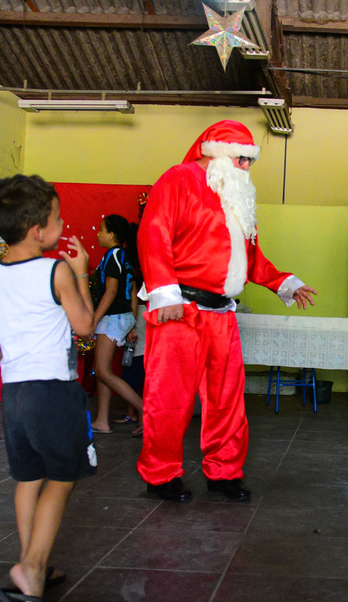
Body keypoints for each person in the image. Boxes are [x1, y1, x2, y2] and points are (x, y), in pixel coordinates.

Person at [136, 120, 317, 502]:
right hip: (180, 310)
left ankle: (224, 473)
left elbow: (249, 259)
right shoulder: (179, 179)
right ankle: (161, 476)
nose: (246, 168)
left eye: (249, 161)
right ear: (214, 152)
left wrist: (286, 282)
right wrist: (164, 294)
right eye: (240, 159)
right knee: (168, 397)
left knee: (227, 400)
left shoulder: (237, 199)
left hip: (222, 315)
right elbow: (153, 231)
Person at [0, 175, 95, 602]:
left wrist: (13, 358)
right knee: (62, 479)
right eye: (57, 218)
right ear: (37, 232)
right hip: (53, 391)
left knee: (28, 478)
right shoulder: (54, 270)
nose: (62, 223)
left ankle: (32, 565)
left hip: (14, 392)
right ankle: (32, 566)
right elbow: (83, 327)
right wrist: (81, 272)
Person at [88, 214, 144, 435]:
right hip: (121, 317)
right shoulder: (125, 256)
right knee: (102, 370)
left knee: (101, 370)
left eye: (101, 229)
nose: (98, 233)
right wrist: (131, 322)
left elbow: (111, 292)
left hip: (112, 317)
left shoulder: (113, 255)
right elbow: (131, 292)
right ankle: (102, 420)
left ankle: (144, 409)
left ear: (111, 234)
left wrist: (93, 320)